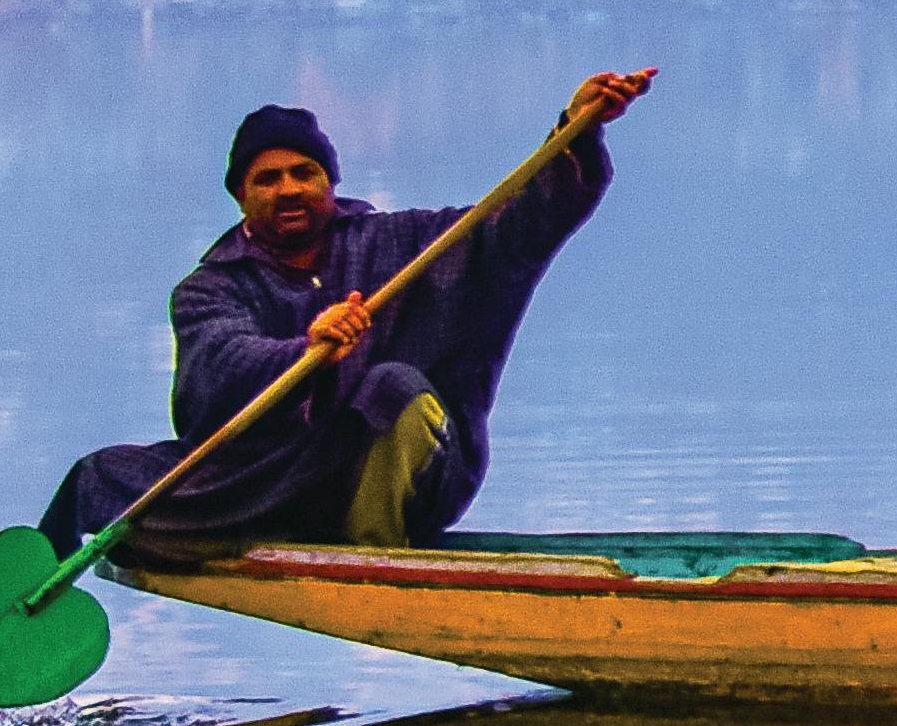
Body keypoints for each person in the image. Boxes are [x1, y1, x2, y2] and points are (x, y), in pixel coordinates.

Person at [40, 70, 652, 556]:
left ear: (329, 183)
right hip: (271, 477)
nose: (289, 189)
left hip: (400, 482)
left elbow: (514, 227)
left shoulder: (402, 244)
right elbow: (219, 361)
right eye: (268, 178)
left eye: (304, 173)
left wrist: (573, 129)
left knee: (393, 386)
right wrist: (306, 350)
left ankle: (371, 554)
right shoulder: (209, 288)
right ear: (241, 197)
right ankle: (44, 584)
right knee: (103, 475)